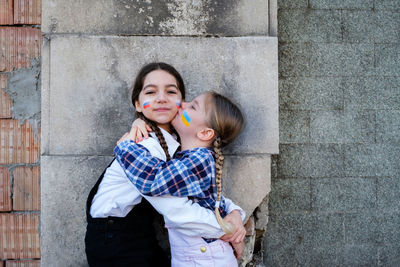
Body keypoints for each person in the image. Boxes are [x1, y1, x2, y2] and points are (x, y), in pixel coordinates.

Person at [85, 63, 246, 267]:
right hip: (114, 238)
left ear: (181, 102)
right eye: (151, 92)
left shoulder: (184, 147)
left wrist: (234, 214)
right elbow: (176, 210)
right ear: (137, 104)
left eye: (171, 92)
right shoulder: (144, 145)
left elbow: (206, 192)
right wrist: (227, 230)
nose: (161, 98)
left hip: (142, 232)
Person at [115, 91, 246, 267]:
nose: (183, 104)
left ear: (205, 133)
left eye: (192, 106)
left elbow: (153, 180)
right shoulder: (192, 157)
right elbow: (212, 199)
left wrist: (126, 148)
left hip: (205, 258)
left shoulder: (198, 159)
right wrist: (139, 122)